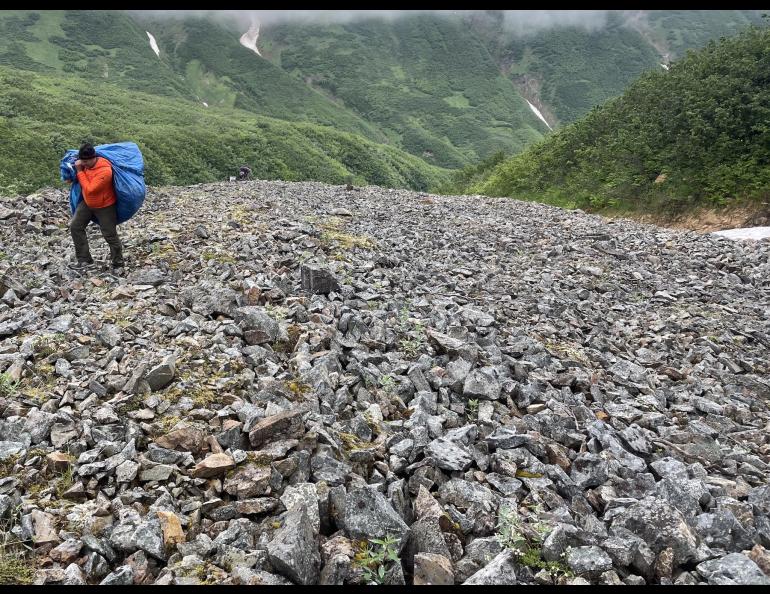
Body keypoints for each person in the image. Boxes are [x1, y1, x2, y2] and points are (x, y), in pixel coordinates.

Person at [68, 143, 124, 271]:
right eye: (82, 161)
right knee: (75, 226)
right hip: (87, 203)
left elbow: (90, 189)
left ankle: (118, 263)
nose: (84, 163)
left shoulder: (105, 171)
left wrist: (79, 171)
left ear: (94, 157)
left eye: (87, 161)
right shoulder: (85, 163)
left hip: (105, 206)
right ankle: (84, 260)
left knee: (109, 235)